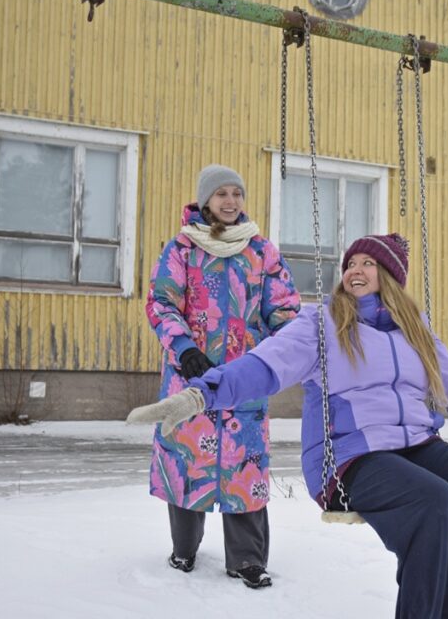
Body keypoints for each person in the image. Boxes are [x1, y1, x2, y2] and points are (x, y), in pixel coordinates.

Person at [132, 232, 448, 617]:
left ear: (389, 274)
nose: (355, 270)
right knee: (434, 500)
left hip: (415, 443)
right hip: (350, 457)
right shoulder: (323, 323)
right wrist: (201, 394)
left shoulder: (416, 330)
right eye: (351, 263)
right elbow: (265, 365)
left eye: (367, 263)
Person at [144, 163, 300, 588]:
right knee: (187, 462)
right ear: (205, 200)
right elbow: (161, 303)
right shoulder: (183, 249)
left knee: (244, 468)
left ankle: (247, 560)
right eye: (222, 194)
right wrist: (184, 348)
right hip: (190, 378)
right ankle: (184, 550)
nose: (231, 201)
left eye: (237, 193)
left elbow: (284, 308)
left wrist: (283, 348)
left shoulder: (260, 250)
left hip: (243, 380)